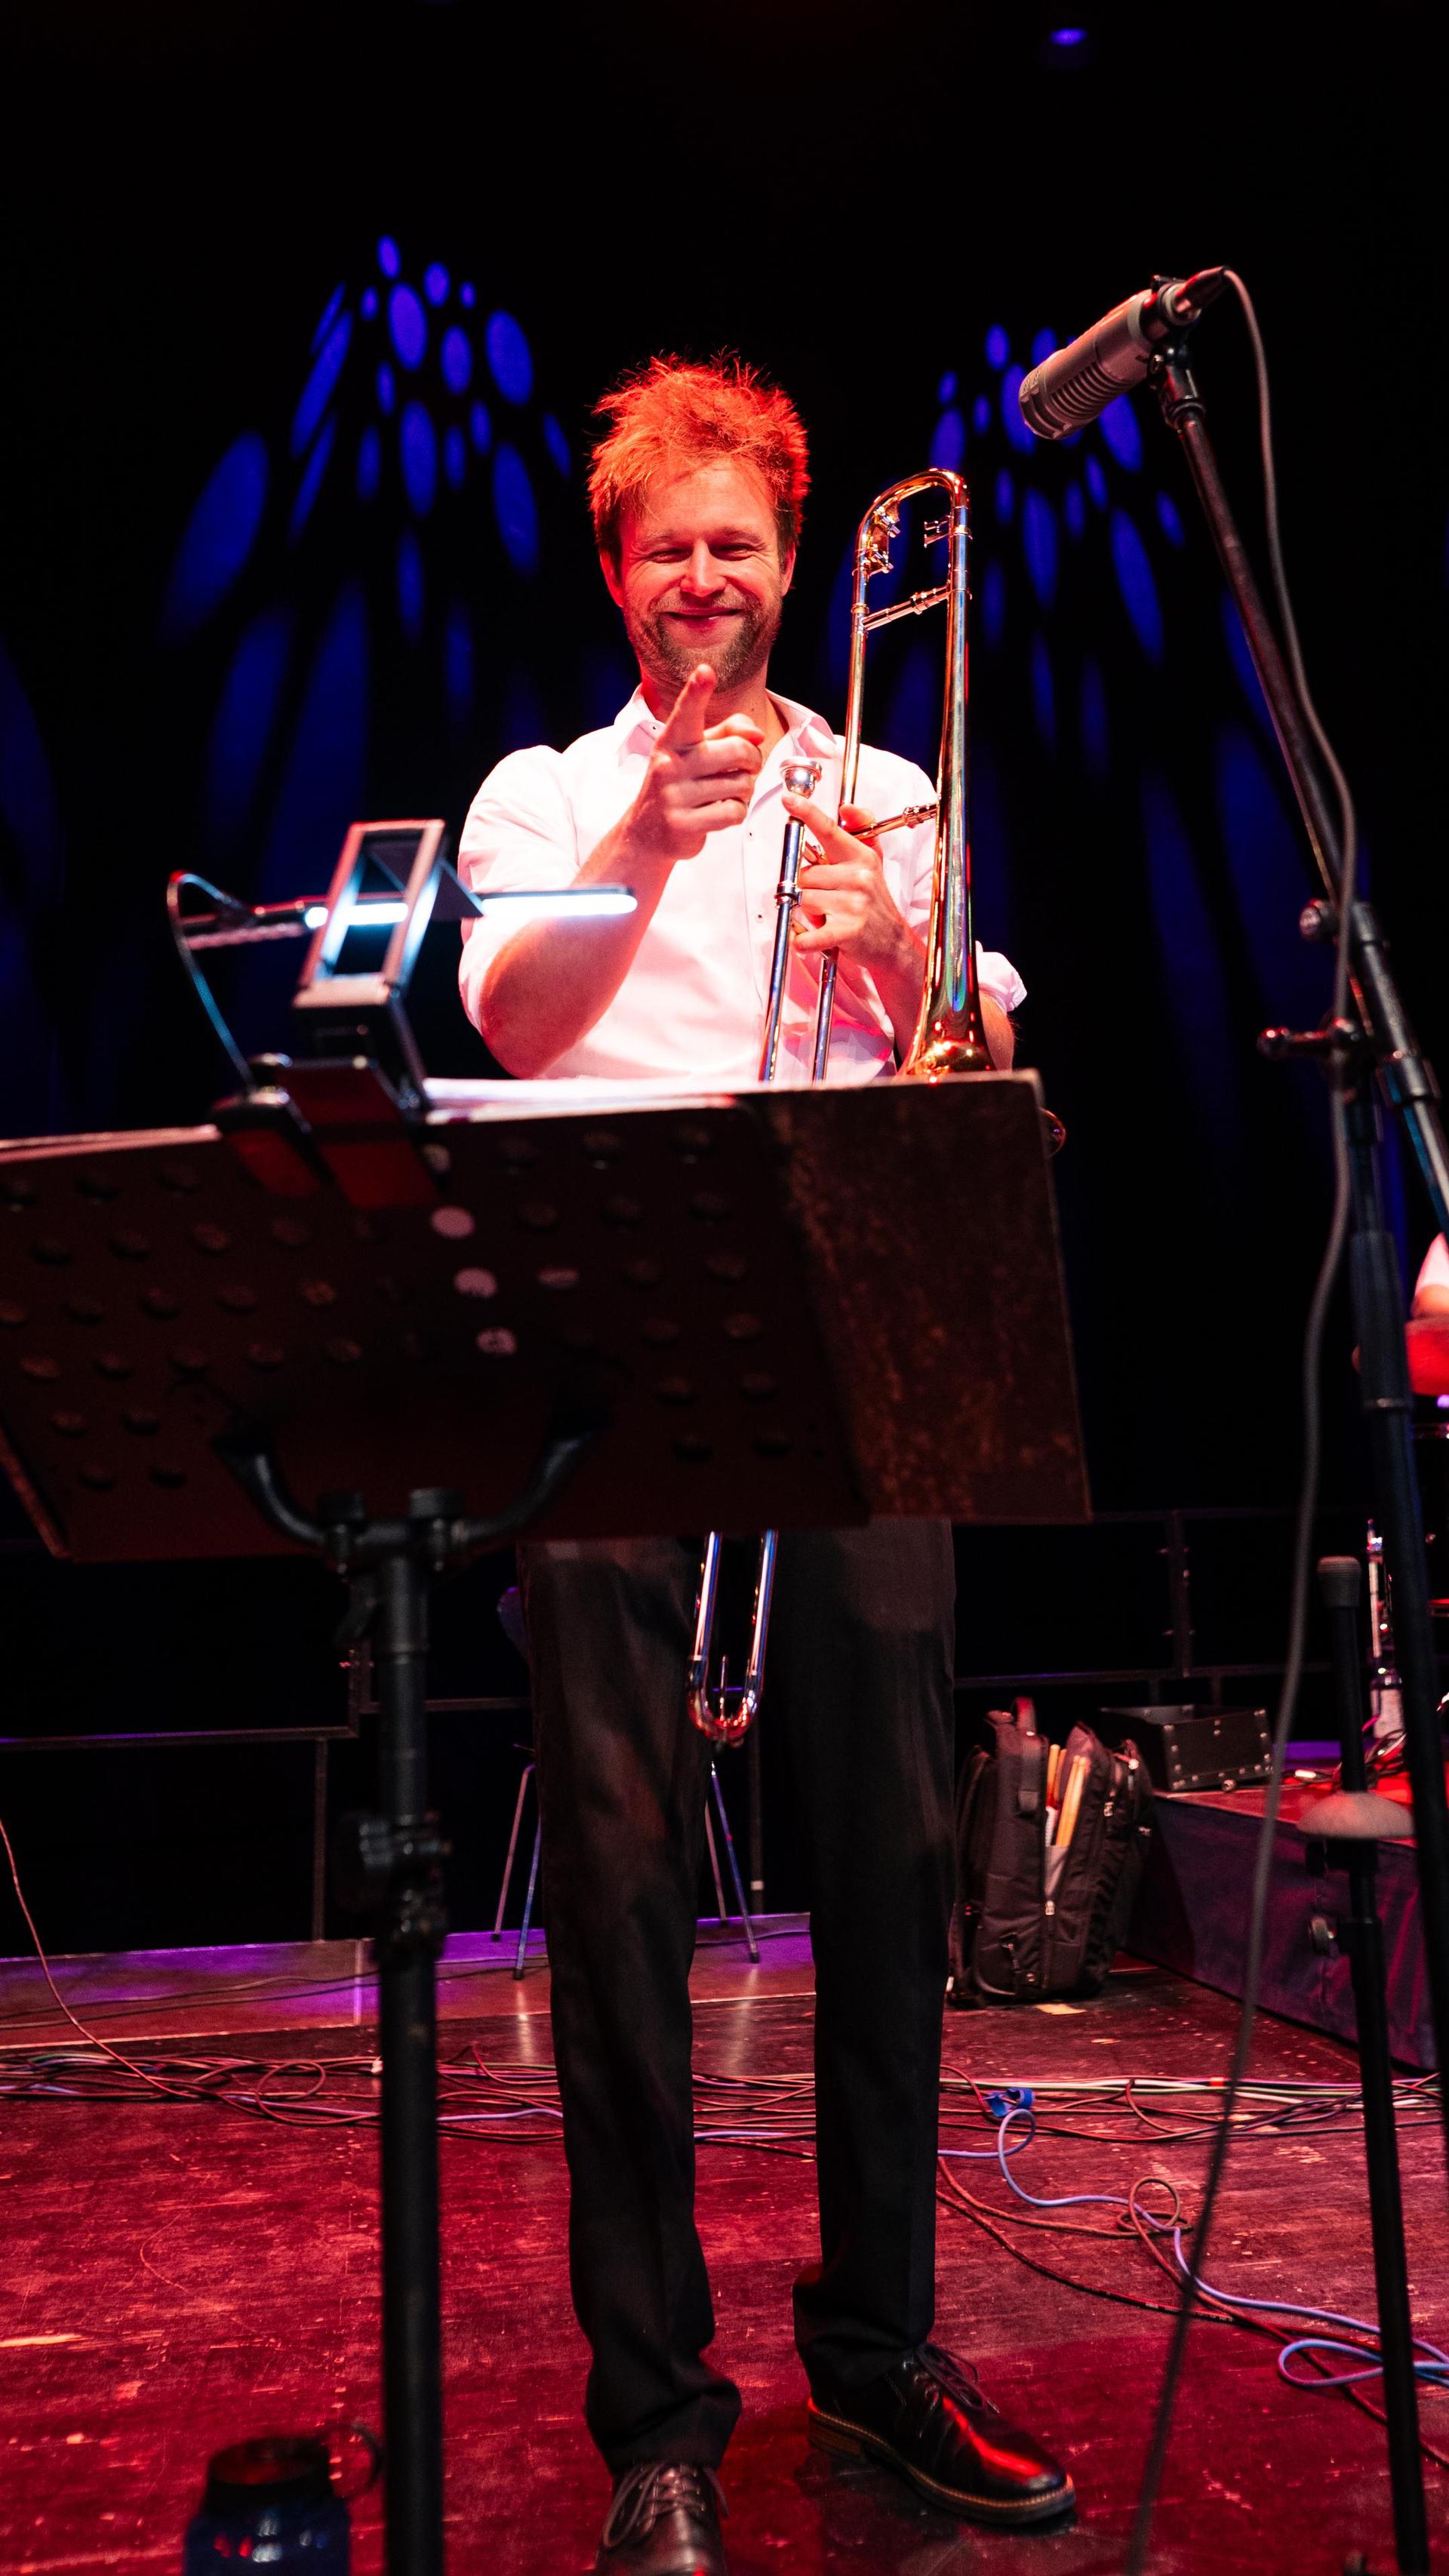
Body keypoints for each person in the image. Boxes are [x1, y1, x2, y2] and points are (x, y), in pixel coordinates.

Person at [458, 356, 1073, 2574]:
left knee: (896, 1860)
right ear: (618, 573)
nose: (705, 579)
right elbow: (507, 1022)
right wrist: (656, 839)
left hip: (862, 1345)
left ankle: (886, 2347)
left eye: (740, 545)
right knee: (619, 1890)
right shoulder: (537, 795)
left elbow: (983, 1046)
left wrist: (909, 943)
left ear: (793, 567)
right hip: (617, 1360)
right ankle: (658, 2418)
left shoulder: (889, 781)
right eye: (669, 546)